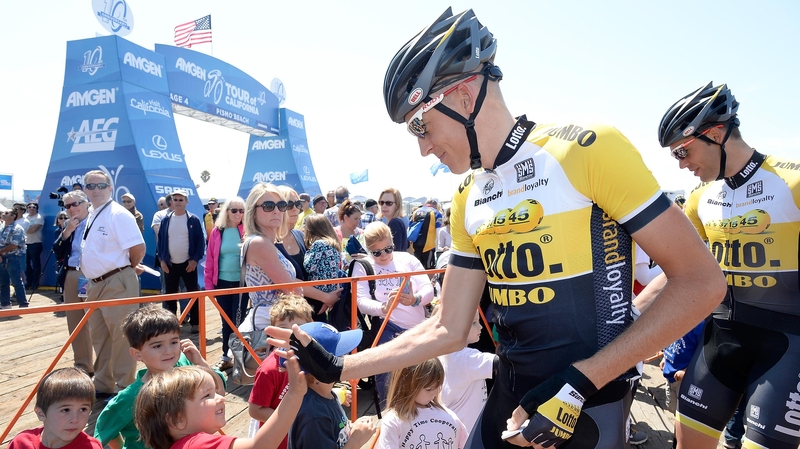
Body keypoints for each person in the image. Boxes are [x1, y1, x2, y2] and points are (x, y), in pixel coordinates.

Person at [267, 8, 725, 449]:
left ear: (464, 95)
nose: (423, 148)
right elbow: (447, 326)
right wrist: (342, 365)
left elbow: (702, 283)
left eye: (420, 126)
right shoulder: (469, 194)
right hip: (509, 397)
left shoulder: (588, 149)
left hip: (590, 400)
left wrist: (584, 380)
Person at [658, 82, 800, 449]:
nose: (682, 164)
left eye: (683, 151)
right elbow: (678, 271)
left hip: (785, 348)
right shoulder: (700, 199)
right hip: (719, 342)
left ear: (716, 133)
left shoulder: (792, 181)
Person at [94, 306, 225, 449]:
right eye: (157, 346)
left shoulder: (185, 365)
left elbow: (220, 392)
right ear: (137, 354)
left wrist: (200, 363)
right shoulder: (130, 397)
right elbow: (101, 431)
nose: (169, 351)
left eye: (174, 342)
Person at [80, 169, 146, 398]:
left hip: (115, 280)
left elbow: (138, 248)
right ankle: (104, 384)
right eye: (91, 186)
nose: (95, 190)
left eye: (101, 185)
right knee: (99, 336)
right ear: (85, 189)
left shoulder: (118, 214)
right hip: (96, 283)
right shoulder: (93, 212)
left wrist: (125, 269)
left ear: (110, 188)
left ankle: (124, 388)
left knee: (121, 337)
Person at [134, 362, 305, 449]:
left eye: (216, 392)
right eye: (207, 395)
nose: (220, 398)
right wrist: (294, 394)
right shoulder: (196, 444)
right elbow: (259, 446)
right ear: (178, 419)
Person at [352, 221, 433, 405]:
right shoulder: (362, 266)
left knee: (424, 378)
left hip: (418, 328)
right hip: (388, 326)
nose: (384, 255)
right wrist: (383, 308)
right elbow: (361, 301)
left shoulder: (407, 259)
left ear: (393, 242)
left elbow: (428, 288)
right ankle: (391, 416)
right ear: (368, 250)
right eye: (377, 252)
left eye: (388, 249)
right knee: (387, 380)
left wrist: (416, 299)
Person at [287, 322, 376, 449]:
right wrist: (356, 440)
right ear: (319, 371)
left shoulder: (326, 394)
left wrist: (350, 428)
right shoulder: (314, 416)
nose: (346, 359)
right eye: (338, 357)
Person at [248, 294, 314, 447]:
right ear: (272, 332)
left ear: (310, 326)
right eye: (283, 328)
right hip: (278, 440)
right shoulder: (269, 370)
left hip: (304, 434)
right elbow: (255, 410)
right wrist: (290, 419)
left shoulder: (312, 360)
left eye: (298, 328)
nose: (291, 335)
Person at [276, 186, 341, 324]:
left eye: (298, 204)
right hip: (289, 317)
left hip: (315, 310)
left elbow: (325, 265)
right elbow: (288, 281)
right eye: (289, 204)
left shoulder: (300, 235)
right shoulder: (271, 242)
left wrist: (331, 292)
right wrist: (326, 297)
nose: (295, 208)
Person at [241, 183, 301, 330]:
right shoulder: (259, 243)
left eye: (281, 205)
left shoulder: (265, 242)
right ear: (253, 212)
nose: (276, 211)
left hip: (274, 321)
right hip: (269, 324)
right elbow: (291, 290)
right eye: (268, 206)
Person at [377, 358, 468, 449]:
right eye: (429, 389)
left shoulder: (450, 415)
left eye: (439, 386)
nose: (436, 392)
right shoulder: (393, 421)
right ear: (407, 386)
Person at [51, 191, 94, 374]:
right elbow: (57, 251)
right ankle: (83, 364)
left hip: (91, 274)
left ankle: (104, 366)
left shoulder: (96, 221)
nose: (71, 209)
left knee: (95, 321)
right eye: (67, 206)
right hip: (72, 274)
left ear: (86, 203)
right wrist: (67, 232)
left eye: (75, 204)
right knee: (75, 321)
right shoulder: (69, 225)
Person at [8, 367, 102, 449]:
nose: (75, 419)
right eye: (65, 410)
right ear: (41, 413)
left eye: (83, 409)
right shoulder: (20, 443)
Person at [204, 197, 247, 371]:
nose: (238, 214)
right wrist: (208, 287)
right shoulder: (217, 231)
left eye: (242, 210)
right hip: (221, 282)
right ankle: (225, 356)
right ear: (226, 212)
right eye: (234, 210)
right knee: (225, 321)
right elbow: (210, 259)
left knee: (240, 320)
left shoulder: (247, 230)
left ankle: (240, 357)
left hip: (242, 282)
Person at [437, 308, 497, 434]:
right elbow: (504, 363)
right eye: (474, 323)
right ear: (455, 327)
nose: (480, 327)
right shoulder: (467, 357)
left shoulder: (442, 353)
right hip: (467, 430)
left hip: (449, 428)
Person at [157, 189, 205, 332]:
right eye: (175, 199)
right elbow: (160, 242)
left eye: (181, 199)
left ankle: (195, 323)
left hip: (188, 264)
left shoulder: (193, 220)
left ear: (186, 202)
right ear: (171, 201)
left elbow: (200, 242)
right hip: (170, 265)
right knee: (170, 295)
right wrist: (162, 260)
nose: (178, 202)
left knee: (193, 294)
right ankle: (171, 325)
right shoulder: (165, 220)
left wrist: (195, 260)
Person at [303, 214, 346, 319]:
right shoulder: (333, 244)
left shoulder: (318, 244)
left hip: (318, 290)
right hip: (331, 289)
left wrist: (306, 253)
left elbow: (309, 266)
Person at [0, 207, 30, 308]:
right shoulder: (1, 227)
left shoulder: (17, 228)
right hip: (2, 258)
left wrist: (0, 252)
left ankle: (23, 304)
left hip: (13, 257)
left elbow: (14, 245)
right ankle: (5, 303)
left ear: (13, 216)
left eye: (6, 213)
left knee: (16, 281)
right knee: (3, 283)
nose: (3, 214)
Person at [376, 187, 408, 252]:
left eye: (389, 203)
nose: (384, 205)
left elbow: (394, 253)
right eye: (381, 202)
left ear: (397, 205)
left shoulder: (394, 223)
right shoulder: (395, 222)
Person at [23, 202, 44, 290]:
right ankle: (29, 281)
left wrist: (22, 230)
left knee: (35, 264)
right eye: (30, 207)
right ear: (27, 208)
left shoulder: (39, 217)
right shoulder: (24, 217)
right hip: (25, 244)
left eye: (34, 207)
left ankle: (35, 283)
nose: (32, 208)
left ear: (37, 208)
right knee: (25, 264)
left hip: (35, 243)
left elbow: (33, 230)